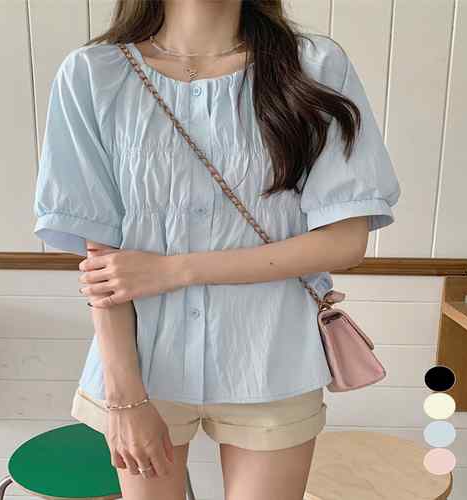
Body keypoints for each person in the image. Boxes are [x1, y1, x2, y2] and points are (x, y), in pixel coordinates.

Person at [33, 1, 401, 499]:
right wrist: (124, 398)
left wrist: (175, 270)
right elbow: (104, 264)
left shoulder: (314, 66)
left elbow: (345, 241)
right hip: (142, 363)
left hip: (272, 358)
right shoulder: (94, 74)